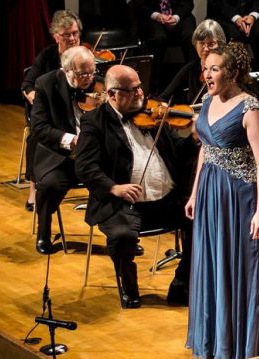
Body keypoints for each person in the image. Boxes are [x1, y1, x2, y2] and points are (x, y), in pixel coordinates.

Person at [185, 43, 259, 359]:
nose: (207, 74)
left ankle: (248, 341)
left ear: (233, 72)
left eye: (215, 69)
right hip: (211, 193)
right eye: (206, 68)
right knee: (214, 262)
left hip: (240, 198)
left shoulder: (251, 109)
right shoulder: (207, 100)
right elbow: (205, 150)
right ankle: (216, 339)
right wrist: (195, 192)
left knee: (243, 266)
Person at [75, 64, 196, 308]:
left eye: (140, 87)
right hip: (123, 205)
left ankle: (182, 283)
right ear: (112, 94)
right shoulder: (95, 123)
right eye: (132, 90)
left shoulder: (154, 117)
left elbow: (180, 153)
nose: (140, 94)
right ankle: (129, 287)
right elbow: (85, 167)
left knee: (202, 217)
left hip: (165, 200)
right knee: (121, 237)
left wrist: (194, 137)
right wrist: (113, 187)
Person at [29, 46, 98, 254]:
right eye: (82, 73)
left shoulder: (100, 84)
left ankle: (123, 235)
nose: (89, 78)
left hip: (95, 157)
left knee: (124, 176)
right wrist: (70, 140)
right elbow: (39, 128)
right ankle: (44, 231)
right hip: (63, 156)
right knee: (49, 186)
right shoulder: (46, 84)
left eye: (92, 72)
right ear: (66, 70)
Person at [21, 10, 83, 212]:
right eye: (67, 35)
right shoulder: (47, 56)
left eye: (75, 33)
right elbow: (27, 85)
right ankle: (34, 190)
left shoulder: (84, 56)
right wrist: (41, 102)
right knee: (35, 139)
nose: (73, 38)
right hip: (49, 117)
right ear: (56, 36)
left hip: (77, 116)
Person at [135, 0, 197, 93]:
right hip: (153, 16)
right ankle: (154, 88)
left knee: (191, 36)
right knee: (157, 38)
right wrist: (157, 16)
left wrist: (176, 17)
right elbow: (139, 4)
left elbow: (188, 4)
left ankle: (194, 83)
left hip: (179, 15)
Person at [159, 19, 226, 104]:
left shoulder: (227, 69)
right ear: (195, 44)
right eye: (201, 43)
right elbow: (163, 97)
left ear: (220, 45)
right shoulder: (191, 68)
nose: (205, 49)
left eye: (211, 44)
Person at [207, 0, 259, 71]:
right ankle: (228, 74)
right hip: (225, 15)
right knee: (232, 35)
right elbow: (217, 3)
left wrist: (252, 17)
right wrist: (236, 18)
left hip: (254, 12)